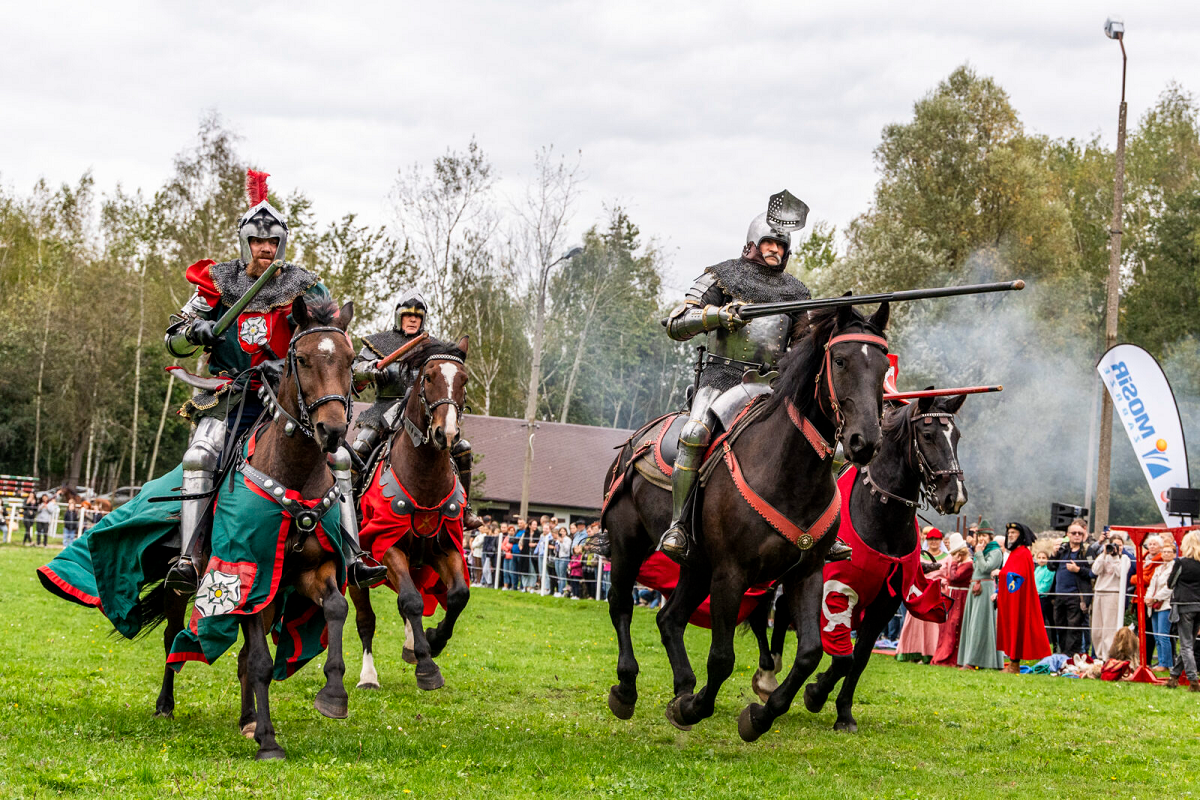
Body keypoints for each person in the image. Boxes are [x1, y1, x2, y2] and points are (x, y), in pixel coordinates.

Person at [162, 169, 384, 592]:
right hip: (230, 392)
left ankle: (353, 555)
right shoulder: (216, 281)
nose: (266, 248)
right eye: (258, 241)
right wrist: (197, 332)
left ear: (282, 243)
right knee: (200, 455)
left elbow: (331, 337)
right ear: (244, 242)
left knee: (336, 457)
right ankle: (189, 559)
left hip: (286, 397)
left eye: (273, 242)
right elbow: (173, 339)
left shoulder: (307, 285)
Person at [656, 190, 851, 566]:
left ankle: (827, 530)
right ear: (751, 244)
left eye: (782, 245)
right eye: (770, 242)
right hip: (721, 379)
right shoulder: (722, 276)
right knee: (695, 434)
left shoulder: (796, 292)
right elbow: (677, 323)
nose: (776, 250)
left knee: (831, 448)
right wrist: (719, 315)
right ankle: (678, 525)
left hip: (772, 388)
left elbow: (801, 346)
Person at [996, 522, 1051, 673]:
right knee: (1013, 629)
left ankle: (1014, 665)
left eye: (1014, 532)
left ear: (1021, 535)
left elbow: (1018, 577)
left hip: (1019, 600)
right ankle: (1013, 664)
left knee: (1018, 629)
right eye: (1009, 533)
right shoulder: (1015, 553)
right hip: (1013, 599)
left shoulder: (1023, 553)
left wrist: (999, 573)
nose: (1011, 535)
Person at [958, 519, 1003, 669]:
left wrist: (978, 553)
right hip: (975, 588)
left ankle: (974, 661)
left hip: (985, 588)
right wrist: (979, 553)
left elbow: (985, 568)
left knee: (980, 625)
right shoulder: (982, 551)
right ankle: (972, 659)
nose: (982, 539)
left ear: (990, 537)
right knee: (973, 624)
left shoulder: (995, 551)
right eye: (980, 536)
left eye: (985, 536)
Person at [896, 528, 946, 664]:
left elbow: (949, 576)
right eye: (931, 540)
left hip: (937, 595)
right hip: (919, 594)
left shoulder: (948, 557)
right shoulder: (919, 556)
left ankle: (932, 653)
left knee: (932, 626)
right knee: (914, 624)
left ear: (941, 541)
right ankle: (911, 652)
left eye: (936, 540)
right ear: (926, 540)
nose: (933, 542)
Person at [1048, 519, 1094, 656]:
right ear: (1068, 534)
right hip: (1059, 595)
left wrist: (1078, 569)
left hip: (1077, 596)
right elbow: (1051, 567)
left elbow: (1093, 572)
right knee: (1060, 626)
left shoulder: (1087, 551)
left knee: (1074, 628)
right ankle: (1062, 654)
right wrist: (1054, 554)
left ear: (1084, 534)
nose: (1077, 535)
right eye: (1074, 533)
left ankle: (1072, 655)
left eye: (1080, 533)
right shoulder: (1063, 549)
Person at [932, 532, 974, 667]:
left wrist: (954, 563)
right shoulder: (963, 563)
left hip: (960, 597)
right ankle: (942, 655)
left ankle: (952, 657)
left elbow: (955, 577)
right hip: (953, 596)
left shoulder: (968, 564)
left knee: (955, 625)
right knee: (947, 626)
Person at [1166, 531, 1200, 691]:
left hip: (1184, 605)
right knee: (1189, 643)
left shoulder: (1181, 562)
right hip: (1199, 605)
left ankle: (1193, 680)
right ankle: (1173, 677)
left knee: (1185, 645)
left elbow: (1170, 583)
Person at [1090, 531, 1131, 660]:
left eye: (1119, 545)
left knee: (1109, 627)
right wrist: (1104, 555)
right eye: (1114, 545)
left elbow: (1121, 574)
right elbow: (1095, 570)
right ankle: (1099, 654)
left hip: (1113, 593)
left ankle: (1108, 656)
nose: (1116, 547)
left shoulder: (1124, 559)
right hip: (1099, 591)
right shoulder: (1103, 556)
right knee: (1097, 628)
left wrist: (1115, 557)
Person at [1146, 539, 1176, 671]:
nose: (1166, 554)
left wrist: (1155, 598)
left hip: (1166, 605)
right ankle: (1161, 661)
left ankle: (1166, 663)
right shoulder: (1158, 568)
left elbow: (1169, 587)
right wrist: (1148, 597)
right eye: (1164, 552)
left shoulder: (1174, 568)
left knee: (1164, 635)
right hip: (1154, 605)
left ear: (1174, 554)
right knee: (1156, 635)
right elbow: (1152, 585)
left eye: (1169, 552)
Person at [1033, 547, 1057, 651]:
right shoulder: (1037, 569)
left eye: (1044, 557)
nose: (1041, 559)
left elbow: (1046, 585)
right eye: (1039, 557)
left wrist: (1035, 592)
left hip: (1044, 598)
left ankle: (1055, 644)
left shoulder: (1049, 569)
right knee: (1039, 623)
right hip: (1036, 597)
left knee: (1050, 622)